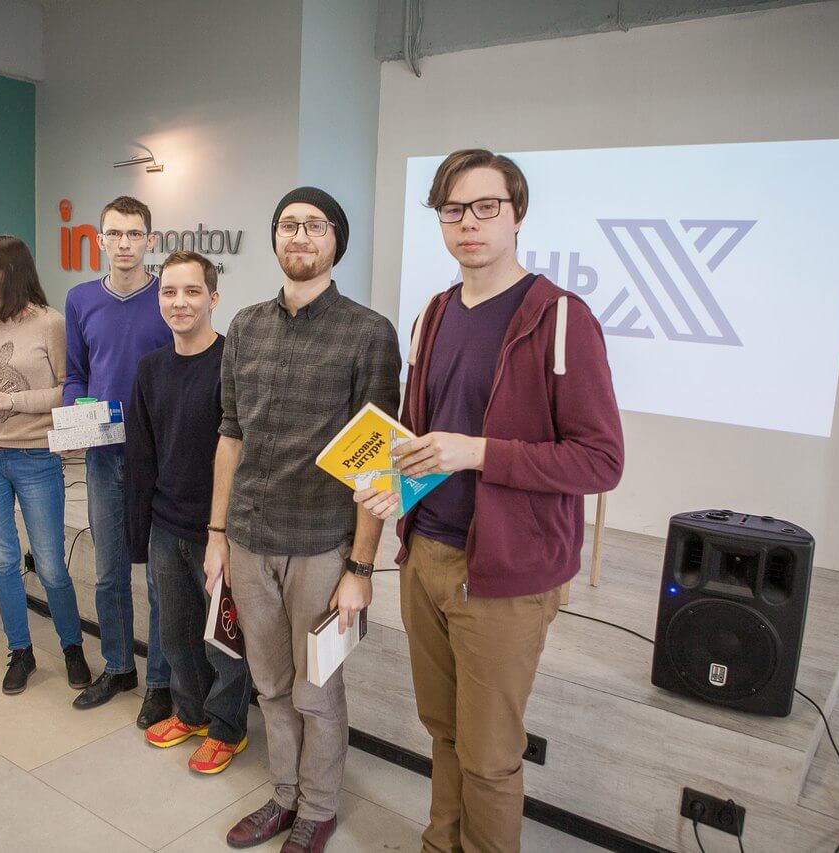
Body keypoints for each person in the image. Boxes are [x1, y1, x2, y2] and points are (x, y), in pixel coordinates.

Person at [356, 149, 625, 852]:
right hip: (425, 555)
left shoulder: (560, 318)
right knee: (443, 732)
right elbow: (421, 434)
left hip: (504, 573)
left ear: (517, 214)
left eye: (485, 207)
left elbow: (601, 460)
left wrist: (478, 452)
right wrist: (390, 481)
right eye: (453, 210)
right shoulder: (435, 314)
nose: (468, 223)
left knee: (491, 755)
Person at [207, 187, 401, 852]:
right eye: (289, 224)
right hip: (248, 537)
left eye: (315, 226)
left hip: (321, 543)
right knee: (269, 686)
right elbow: (231, 434)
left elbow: (378, 459)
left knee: (317, 690)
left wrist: (360, 567)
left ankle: (318, 809)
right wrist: (216, 535)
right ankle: (283, 796)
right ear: (275, 237)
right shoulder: (246, 326)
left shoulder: (368, 332)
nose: (300, 236)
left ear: (335, 241)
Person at [126, 250, 252, 774]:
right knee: (176, 634)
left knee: (223, 639)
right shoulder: (151, 368)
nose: (179, 302)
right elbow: (141, 453)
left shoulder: (232, 366)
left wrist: (225, 530)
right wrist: (139, 531)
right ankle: (193, 713)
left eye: (192, 291)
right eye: (169, 292)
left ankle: (227, 729)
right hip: (166, 524)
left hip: (219, 530)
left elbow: (242, 452)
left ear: (213, 298)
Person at [0, 235, 92, 695]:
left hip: (36, 456)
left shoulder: (50, 323)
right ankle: (20, 650)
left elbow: (68, 389)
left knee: (50, 564)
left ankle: (72, 646)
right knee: (4, 561)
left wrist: (13, 401)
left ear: (6, 271)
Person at [64, 195, 174, 727]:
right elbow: (76, 374)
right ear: (100, 239)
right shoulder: (81, 299)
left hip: (160, 457)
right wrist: (75, 416)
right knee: (109, 573)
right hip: (104, 455)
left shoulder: (169, 296)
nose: (124, 244)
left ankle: (160, 681)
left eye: (134, 234)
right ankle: (118, 666)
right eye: (115, 234)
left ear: (150, 240)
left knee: (158, 578)